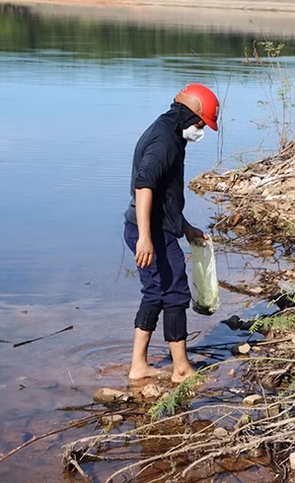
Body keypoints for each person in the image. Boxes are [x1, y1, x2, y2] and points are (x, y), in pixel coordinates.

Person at [123, 83, 219, 381]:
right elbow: (144, 185)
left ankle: (138, 366)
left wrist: (185, 228)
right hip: (150, 232)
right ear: (190, 114)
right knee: (175, 292)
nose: (201, 129)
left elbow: (165, 196)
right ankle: (181, 368)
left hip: (155, 228)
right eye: (202, 123)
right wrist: (145, 236)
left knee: (155, 292)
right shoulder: (165, 140)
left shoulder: (169, 132)